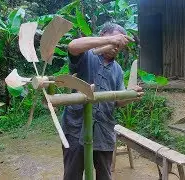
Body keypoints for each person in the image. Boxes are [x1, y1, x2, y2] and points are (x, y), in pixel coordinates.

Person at [61, 22, 143, 180]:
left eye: (119, 45)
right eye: (113, 41)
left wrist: (131, 96)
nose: (115, 47)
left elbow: (117, 101)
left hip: (103, 130)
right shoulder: (86, 55)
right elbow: (72, 46)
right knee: (73, 175)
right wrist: (110, 41)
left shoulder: (117, 69)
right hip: (76, 128)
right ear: (102, 36)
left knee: (105, 175)